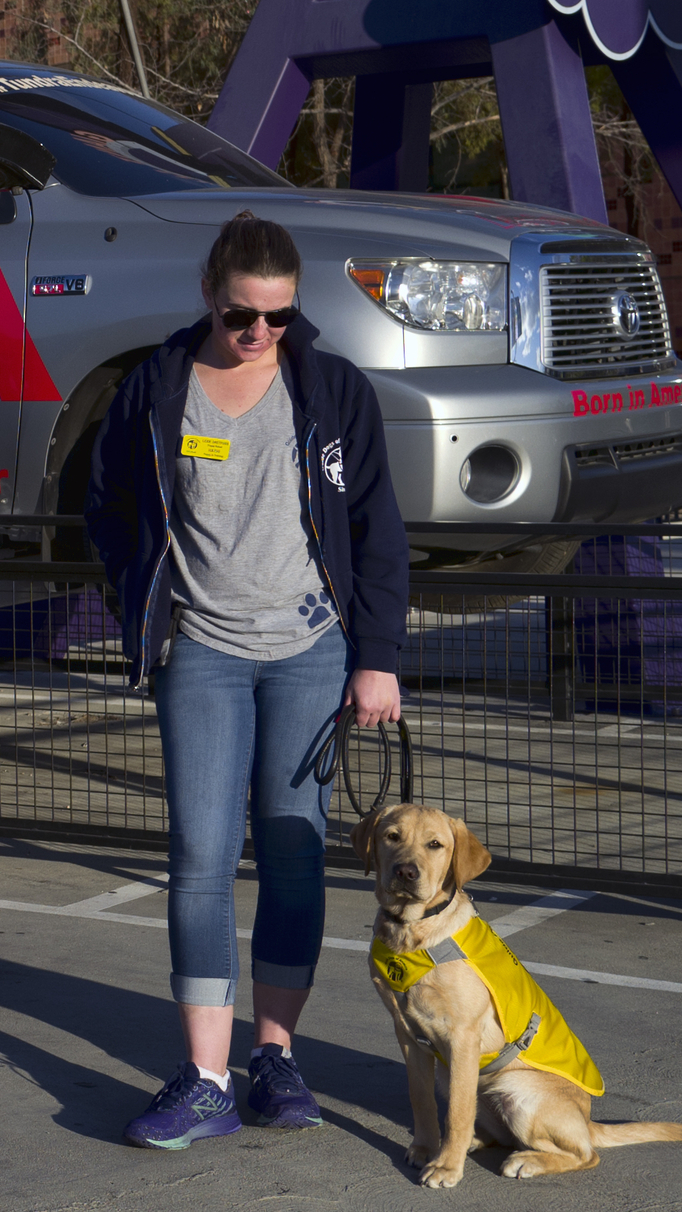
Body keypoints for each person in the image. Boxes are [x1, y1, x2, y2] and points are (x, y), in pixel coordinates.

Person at [85, 210, 407, 1149]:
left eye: (278, 316)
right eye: (242, 316)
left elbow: (380, 528)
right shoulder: (156, 385)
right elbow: (106, 504)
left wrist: (377, 655)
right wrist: (140, 602)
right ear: (209, 294)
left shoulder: (331, 387)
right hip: (202, 652)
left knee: (295, 850)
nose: (260, 333)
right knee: (200, 857)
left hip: (312, 649)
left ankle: (275, 1057)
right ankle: (206, 1075)